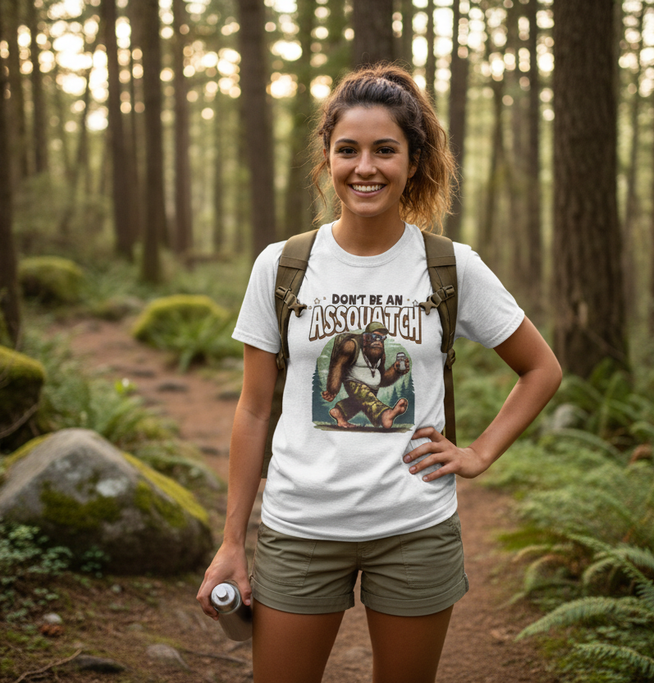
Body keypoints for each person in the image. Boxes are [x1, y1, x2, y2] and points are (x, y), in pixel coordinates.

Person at [196, 63, 562, 683]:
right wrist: (233, 541)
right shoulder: (281, 267)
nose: (365, 167)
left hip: (415, 529)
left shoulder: (451, 268)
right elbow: (254, 409)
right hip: (300, 526)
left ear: (413, 161)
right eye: (349, 150)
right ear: (327, 158)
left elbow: (541, 369)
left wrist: (478, 454)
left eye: (385, 150)